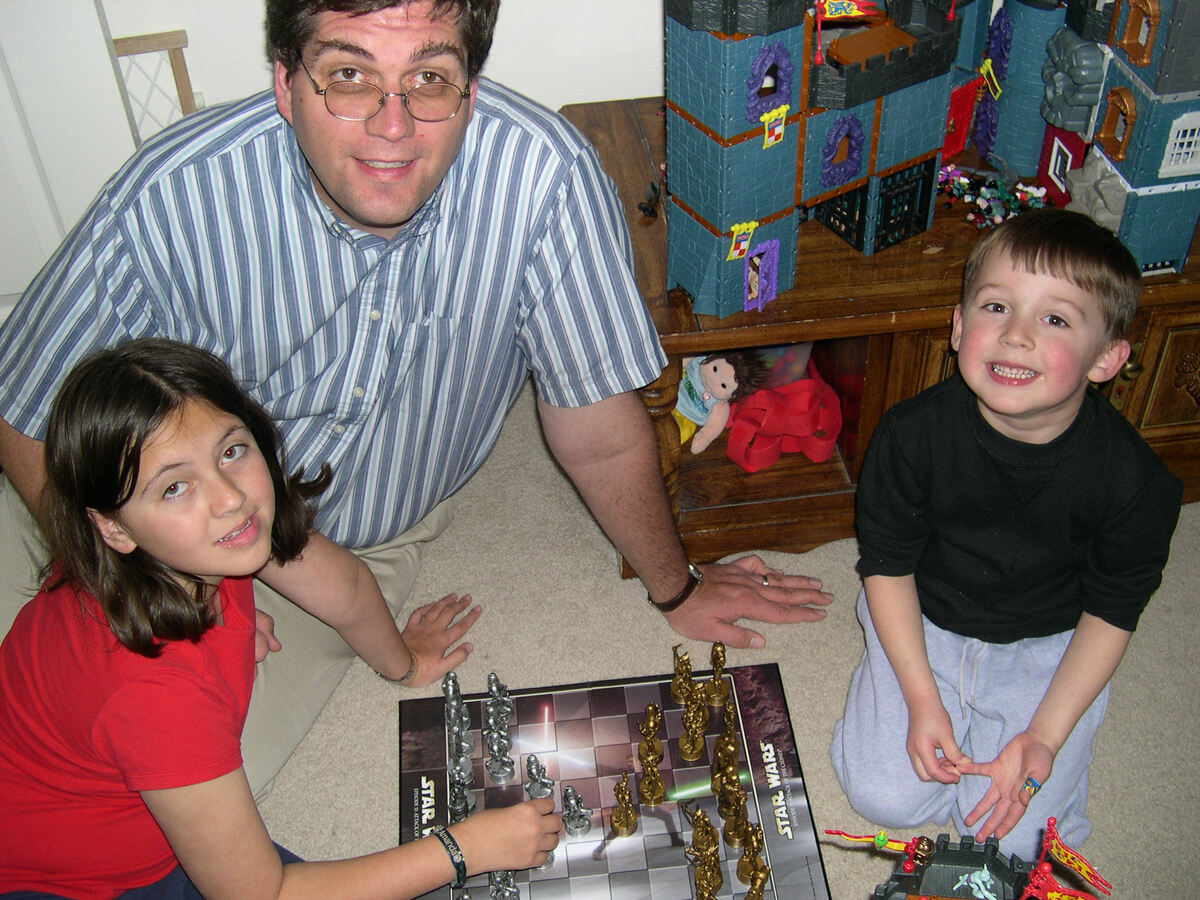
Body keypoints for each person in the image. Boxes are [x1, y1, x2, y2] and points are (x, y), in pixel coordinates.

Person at [0, 0, 831, 796]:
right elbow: (26, 412)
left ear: (471, 88)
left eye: (429, 79)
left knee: (150, 785)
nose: (392, 126)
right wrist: (146, 576)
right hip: (144, 509)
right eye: (348, 76)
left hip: (345, 551)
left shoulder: (545, 179)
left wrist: (678, 588)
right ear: (285, 83)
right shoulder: (174, 191)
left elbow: (601, 433)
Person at [0, 339, 561, 899]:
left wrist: (406, 662)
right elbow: (262, 894)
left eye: (230, 451)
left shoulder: (206, 540)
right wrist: (463, 849)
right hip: (70, 884)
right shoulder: (157, 696)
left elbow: (346, 588)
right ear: (113, 528)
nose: (229, 498)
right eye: (174, 487)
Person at [829, 208, 1183, 861]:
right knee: (881, 796)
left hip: (1047, 644)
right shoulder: (909, 435)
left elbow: (1112, 612)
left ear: (1107, 358)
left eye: (1056, 319)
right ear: (959, 326)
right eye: (996, 307)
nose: (1016, 335)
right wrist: (921, 697)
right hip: (925, 618)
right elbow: (887, 567)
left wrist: (1044, 735)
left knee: (1013, 841)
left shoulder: (1136, 483)